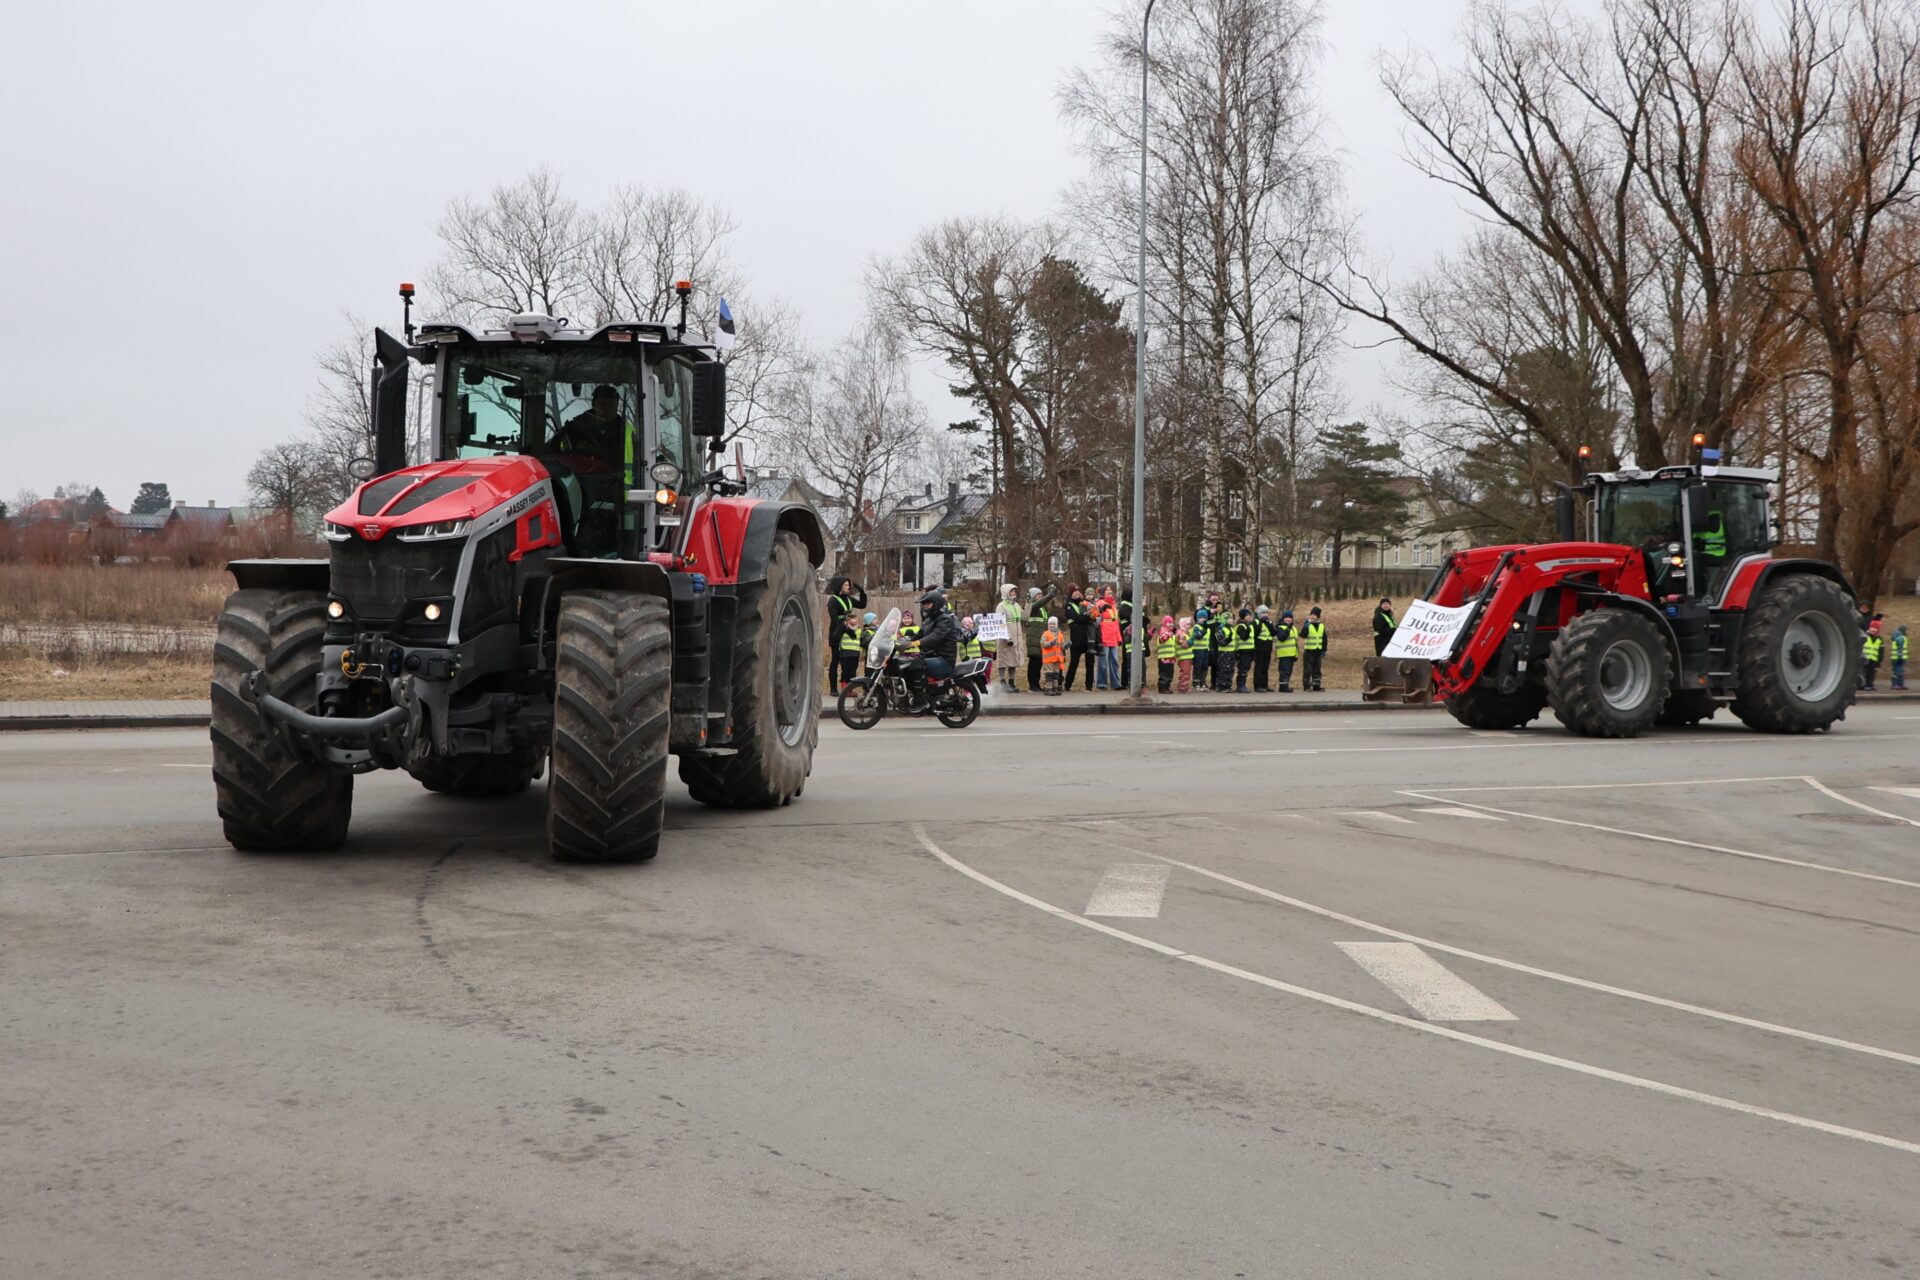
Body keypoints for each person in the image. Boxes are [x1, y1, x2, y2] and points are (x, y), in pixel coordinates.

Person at [905, 589, 960, 710]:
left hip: (944, 660)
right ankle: (913, 695)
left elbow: (936, 637)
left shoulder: (945, 619)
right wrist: (903, 640)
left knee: (917, 665)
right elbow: (919, 634)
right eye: (924, 604)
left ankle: (921, 701)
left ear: (936, 604)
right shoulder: (928, 620)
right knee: (905, 665)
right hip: (931, 656)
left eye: (927, 604)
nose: (925, 606)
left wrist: (916, 643)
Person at [1063, 586, 1097, 692]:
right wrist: (1088, 618)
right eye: (1074, 591)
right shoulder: (1068, 605)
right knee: (1074, 663)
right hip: (1076, 638)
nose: (1076, 593)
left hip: (1088, 638)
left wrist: (1090, 617)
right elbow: (1077, 617)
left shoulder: (1084, 602)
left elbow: (1094, 614)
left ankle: (1089, 686)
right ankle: (1067, 685)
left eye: (1078, 591)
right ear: (1070, 593)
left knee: (1090, 663)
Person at [995, 583, 1025, 693]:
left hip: (1016, 638)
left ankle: (1012, 682)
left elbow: (1025, 616)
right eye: (1012, 591)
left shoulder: (1016, 605)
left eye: (1014, 591)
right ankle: (1003, 682)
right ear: (1006, 593)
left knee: (1013, 660)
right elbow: (1000, 623)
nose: (1014, 593)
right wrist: (1007, 637)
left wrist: (1030, 604)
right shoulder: (1001, 606)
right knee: (1003, 660)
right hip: (1005, 639)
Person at [1023, 585, 1053, 693]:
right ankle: (1032, 685)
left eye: (1041, 594)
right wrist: (1050, 596)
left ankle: (1036, 684)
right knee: (1034, 664)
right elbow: (1039, 603)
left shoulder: (1043, 609)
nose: (1040, 596)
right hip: (1033, 640)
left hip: (1040, 640)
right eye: (1038, 595)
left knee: (1039, 663)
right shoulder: (1032, 606)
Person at [831, 610, 863, 692]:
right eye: (852, 617)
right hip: (845, 653)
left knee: (853, 672)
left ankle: (850, 690)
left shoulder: (859, 628)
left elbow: (859, 639)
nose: (854, 619)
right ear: (847, 619)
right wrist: (844, 626)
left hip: (855, 653)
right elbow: (835, 636)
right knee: (845, 672)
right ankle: (845, 691)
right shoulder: (843, 627)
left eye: (855, 617)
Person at [1096, 597, 1123, 690]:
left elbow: (1116, 623)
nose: (1110, 591)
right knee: (1103, 662)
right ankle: (1101, 683)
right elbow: (1096, 618)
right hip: (1104, 637)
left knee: (1114, 661)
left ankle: (1116, 684)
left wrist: (1119, 638)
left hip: (1113, 637)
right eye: (1107, 590)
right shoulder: (1099, 603)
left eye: (1110, 590)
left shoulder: (1113, 606)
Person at [1301, 606, 1327, 691]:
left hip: (1318, 650)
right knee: (1307, 669)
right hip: (1309, 650)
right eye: (1311, 614)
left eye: (1315, 615)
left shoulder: (1321, 626)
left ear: (1318, 616)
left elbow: (1324, 638)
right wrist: (1306, 625)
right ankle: (1306, 685)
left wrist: (1324, 649)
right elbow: (1303, 635)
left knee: (1317, 669)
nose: (1313, 616)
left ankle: (1316, 685)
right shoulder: (1307, 625)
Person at [1040, 616, 1067, 695]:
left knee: (1056, 674)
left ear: (1057, 625)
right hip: (1048, 659)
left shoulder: (1060, 635)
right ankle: (1048, 689)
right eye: (1050, 624)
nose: (1051, 625)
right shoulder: (1046, 634)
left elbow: (1061, 646)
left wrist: (1065, 646)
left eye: (1053, 624)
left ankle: (1055, 688)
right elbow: (1043, 644)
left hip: (1057, 658)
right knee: (1049, 674)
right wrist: (1051, 643)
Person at [1251, 605, 1275, 692]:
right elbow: (1255, 634)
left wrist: (1268, 624)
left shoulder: (1269, 622)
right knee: (1259, 667)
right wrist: (1261, 623)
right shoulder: (1256, 622)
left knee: (1265, 667)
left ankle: (1265, 685)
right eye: (1263, 613)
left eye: (1266, 613)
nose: (1265, 614)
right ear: (1258, 614)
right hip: (1259, 647)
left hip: (1267, 647)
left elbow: (1273, 633)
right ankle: (1258, 686)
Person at [1273, 609, 1298, 692]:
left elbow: (1295, 642)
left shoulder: (1293, 628)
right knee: (1284, 671)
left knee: (1289, 671)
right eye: (1286, 617)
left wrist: (1296, 654)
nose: (1288, 619)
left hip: (1292, 653)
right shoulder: (1280, 627)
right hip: (1284, 654)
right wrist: (1287, 629)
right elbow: (1281, 638)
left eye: (1290, 618)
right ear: (1283, 618)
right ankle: (1283, 687)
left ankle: (1285, 685)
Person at [1190, 606, 1214, 692]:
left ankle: (1203, 682)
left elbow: (1209, 639)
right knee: (1198, 667)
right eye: (1201, 618)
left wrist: (1210, 648)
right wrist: (1204, 630)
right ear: (1197, 619)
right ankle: (1196, 683)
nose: (1203, 619)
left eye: (1204, 618)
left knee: (1205, 667)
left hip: (1205, 650)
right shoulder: (1197, 627)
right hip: (1197, 650)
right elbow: (1198, 636)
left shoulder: (1207, 629)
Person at [1155, 615, 1177, 693]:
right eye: (1169, 623)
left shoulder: (1171, 633)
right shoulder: (1163, 631)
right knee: (1164, 674)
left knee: (1170, 673)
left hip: (1170, 658)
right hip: (1164, 658)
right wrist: (1168, 635)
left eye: (1172, 623)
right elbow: (1162, 639)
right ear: (1164, 624)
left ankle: (1167, 687)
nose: (1171, 624)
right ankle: (1162, 688)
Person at [1861, 620, 1884, 691]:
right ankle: (1863, 685)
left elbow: (1881, 650)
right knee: (1864, 672)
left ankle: (1870, 685)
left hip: (1874, 659)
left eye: (1876, 628)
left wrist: (1880, 659)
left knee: (1872, 673)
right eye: (1873, 628)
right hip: (1865, 657)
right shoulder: (1866, 636)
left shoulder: (1880, 639)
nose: (1874, 630)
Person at [1174, 617, 1195, 693]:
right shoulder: (1181, 634)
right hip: (1183, 657)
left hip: (1187, 657)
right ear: (1182, 625)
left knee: (1187, 673)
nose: (1189, 626)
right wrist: (1191, 641)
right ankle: (1182, 688)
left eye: (1189, 625)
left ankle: (1185, 687)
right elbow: (1184, 645)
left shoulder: (1186, 633)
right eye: (1187, 625)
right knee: (1185, 673)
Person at [859, 611, 879, 676]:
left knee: (878, 673)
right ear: (869, 621)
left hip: (879, 655)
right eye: (874, 619)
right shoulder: (866, 632)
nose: (876, 620)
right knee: (869, 673)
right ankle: (867, 686)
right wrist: (875, 635)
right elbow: (864, 642)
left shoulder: (878, 630)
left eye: (876, 619)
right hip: (870, 657)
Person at [1891, 623, 1909, 690]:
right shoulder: (1900, 638)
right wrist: (1900, 656)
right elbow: (1900, 648)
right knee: (1897, 671)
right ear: (1903, 630)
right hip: (1898, 657)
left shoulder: (1898, 636)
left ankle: (1900, 684)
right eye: (1906, 630)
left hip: (1896, 657)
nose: (1907, 631)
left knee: (1900, 671)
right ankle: (1895, 684)